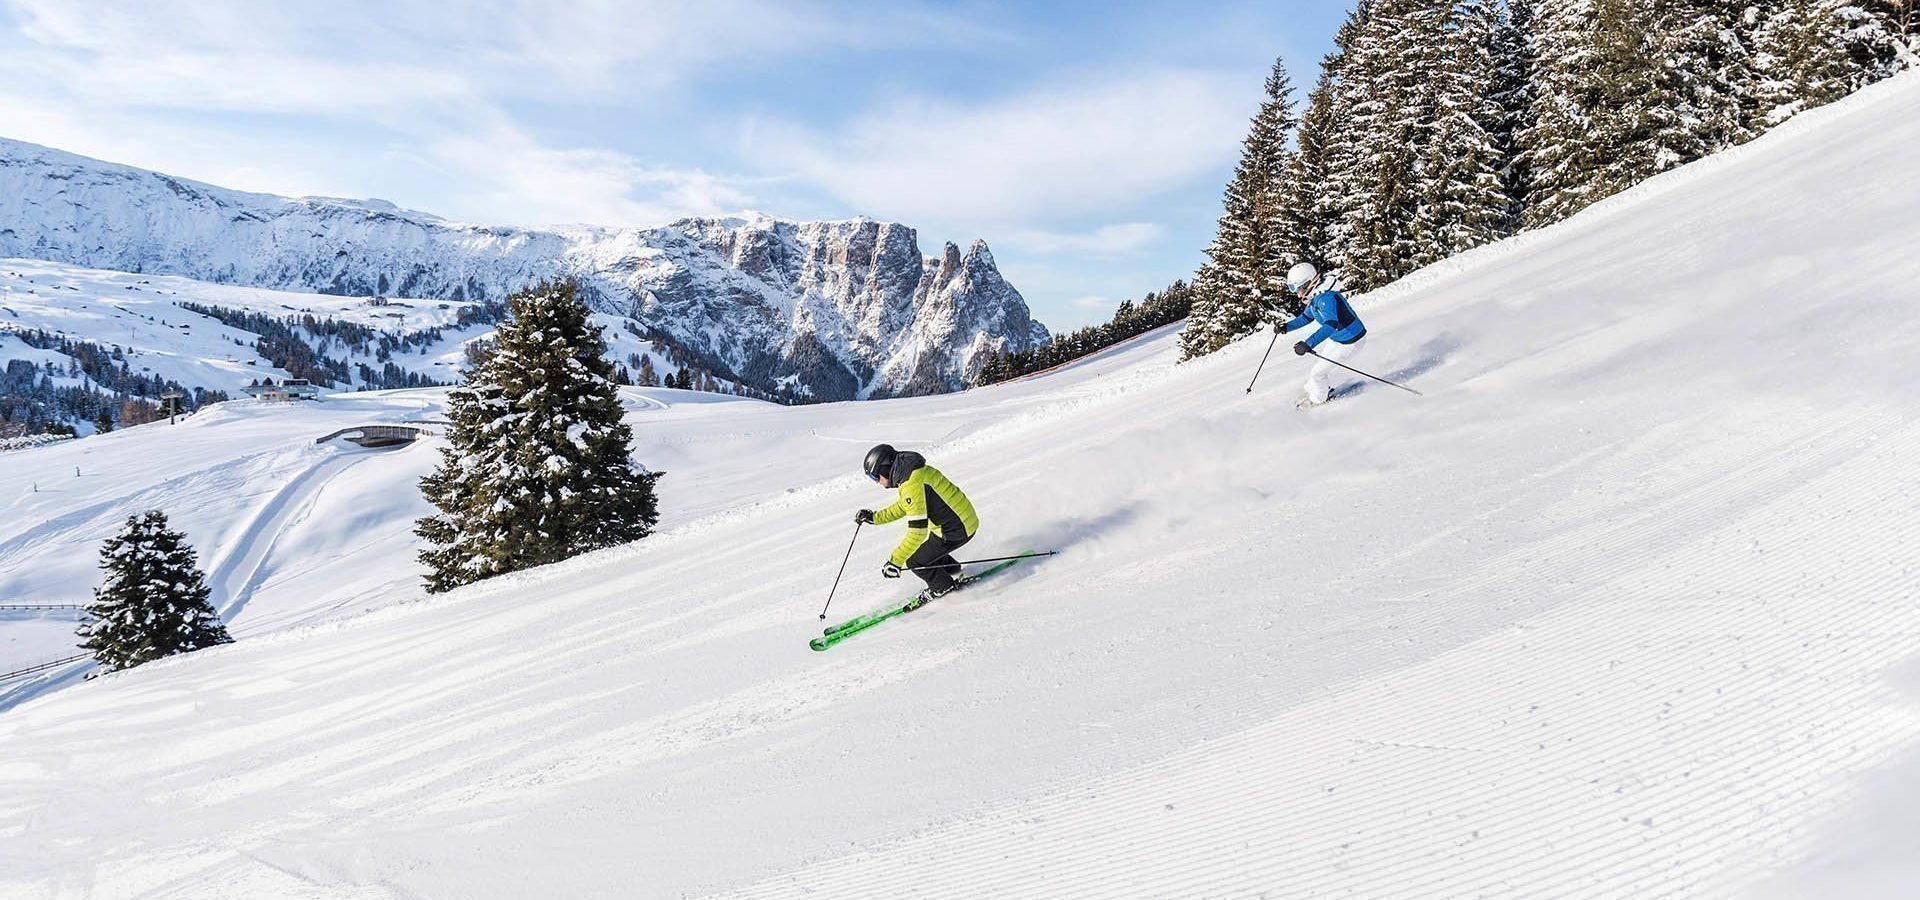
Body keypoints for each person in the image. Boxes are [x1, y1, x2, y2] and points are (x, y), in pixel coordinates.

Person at [855, 444, 980, 606]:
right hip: (962, 521)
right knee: (929, 549)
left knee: (916, 561)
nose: (877, 482)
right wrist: (875, 517)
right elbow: (906, 505)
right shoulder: (913, 474)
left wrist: (895, 561)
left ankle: (943, 587)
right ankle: (953, 571)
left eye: (875, 477)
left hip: (956, 529)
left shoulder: (911, 484)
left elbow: (917, 531)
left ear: (884, 469)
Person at [1275, 262, 1366, 406]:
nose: (1297, 293)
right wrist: (1286, 327)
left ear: (1308, 284)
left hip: (1351, 341)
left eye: (1297, 288)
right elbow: (1306, 318)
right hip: (1338, 339)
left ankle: (1318, 401)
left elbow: (1331, 325)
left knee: (1318, 373)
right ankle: (1314, 390)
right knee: (1318, 369)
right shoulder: (1315, 298)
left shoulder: (1325, 299)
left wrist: (1307, 344)